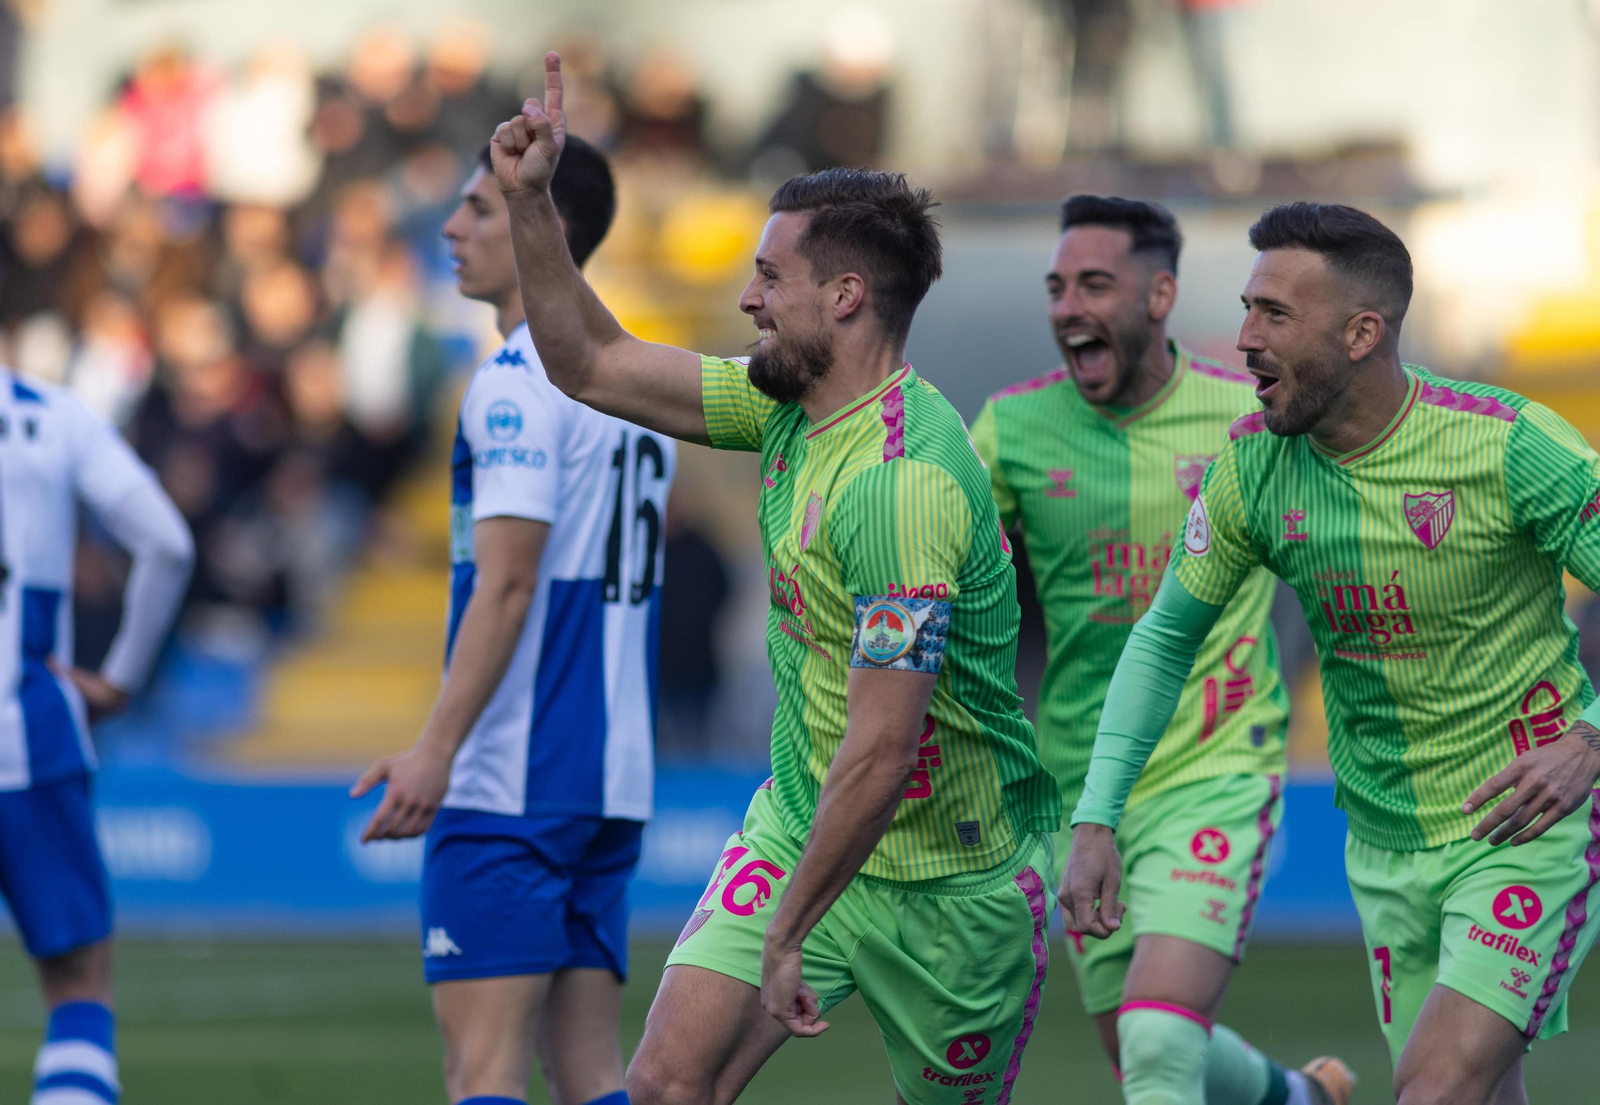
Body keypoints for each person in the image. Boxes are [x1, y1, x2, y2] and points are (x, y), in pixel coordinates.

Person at [491, 54, 1062, 1105]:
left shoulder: (902, 488)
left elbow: (886, 743)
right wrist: (532, 206)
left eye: (769, 278)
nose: (746, 297)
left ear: (844, 298)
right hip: (805, 822)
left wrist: (790, 927)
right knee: (663, 1082)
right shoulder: (786, 404)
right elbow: (591, 363)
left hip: (955, 881)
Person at [1065, 201, 1600, 1105]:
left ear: (1361, 332)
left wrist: (1588, 740)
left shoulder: (1511, 445)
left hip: (1528, 828)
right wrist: (1096, 815)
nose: (1243, 338)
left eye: (1275, 314)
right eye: (1247, 308)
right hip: (1386, 845)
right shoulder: (1251, 470)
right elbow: (1163, 642)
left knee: (1431, 1089)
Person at [970, 195, 1351, 1105]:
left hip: (1214, 766)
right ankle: (1299, 1098)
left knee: (1154, 1035)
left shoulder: (1248, 421)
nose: (1068, 306)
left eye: (1094, 283)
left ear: (1160, 294)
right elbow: (947, 567)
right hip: (1078, 782)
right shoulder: (1012, 429)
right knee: (1144, 1044)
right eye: (1057, 287)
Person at [351, 135, 675, 1105]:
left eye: (481, 208)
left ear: (546, 224)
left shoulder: (515, 383)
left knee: (482, 1072)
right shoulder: (635, 382)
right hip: (613, 777)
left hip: (512, 780)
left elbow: (509, 584)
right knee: (588, 1073)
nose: (450, 228)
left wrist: (435, 750)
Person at [0, 367, 194, 1105]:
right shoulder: (56, 416)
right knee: (78, 985)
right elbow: (167, 544)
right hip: (32, 736)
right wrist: (121, 678)